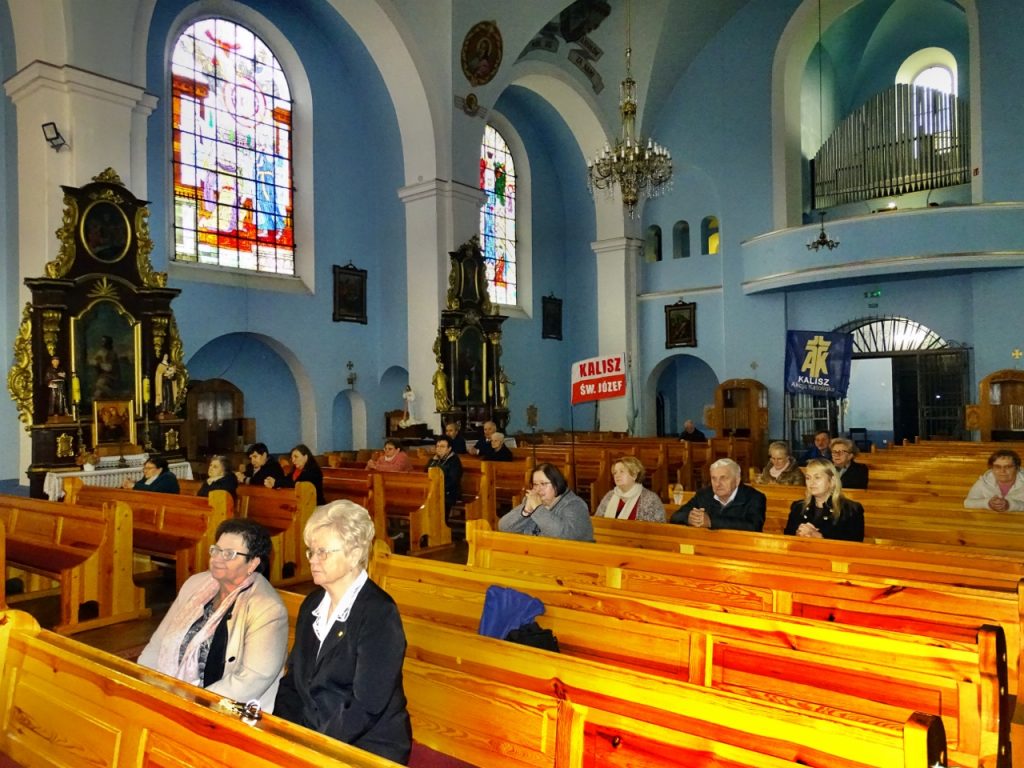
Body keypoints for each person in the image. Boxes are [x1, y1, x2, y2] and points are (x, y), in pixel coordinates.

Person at [274, 501, 411, 764]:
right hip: (313, 734)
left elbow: (367, 706)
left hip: (366, 744)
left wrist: (314, 749)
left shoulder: (379, 613)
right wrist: (282, 734)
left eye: (323, 552)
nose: (313, 560)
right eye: (311, 551)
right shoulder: (312, 605)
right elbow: (292, 683)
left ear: (354, 554)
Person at [137, 519, 287, 711]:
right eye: (216, 550)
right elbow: (159, 643)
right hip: (175, 697)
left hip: (224, 709)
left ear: (253, 563)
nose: (217, 559)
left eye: (229, 554)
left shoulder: (267, 608)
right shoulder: (195, 585)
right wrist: (144, 684)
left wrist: (191, 703)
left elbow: (250, 681)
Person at [499, 463, 594, 541]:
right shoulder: (532, 502)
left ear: (556, 484)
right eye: (535, 484)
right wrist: (526, 511)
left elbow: (564, 536)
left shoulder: (575, 505)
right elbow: (504, 527)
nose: (538, 489)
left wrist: (537, 509)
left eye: (543, 484)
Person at [669, 458, 765, 531]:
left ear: (737, 480)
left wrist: (711, 521)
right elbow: (675, 517)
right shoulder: (704, 494)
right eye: (714, 478)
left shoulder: (755, 497)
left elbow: (754, 526)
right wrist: (689, 518)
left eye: (723, 478)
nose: (717, 484)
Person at [784, 459, 865, 541]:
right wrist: (797, 534)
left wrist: (819, 537)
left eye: (817, 478)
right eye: (808, 478)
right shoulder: (798, 507)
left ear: (832, 481)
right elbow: (786, 539)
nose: (812, 482)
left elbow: (854, 545)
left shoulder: (850, 510)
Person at [595, 456, 666, 522]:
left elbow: (657, 527)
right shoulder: (609, 496)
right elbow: (597, 522)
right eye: (615, 473)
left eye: (621, 471)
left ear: (634, 475)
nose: (617, 475)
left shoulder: (650, 499)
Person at [426, 435, 462, 523]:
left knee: (438, 503)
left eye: (442, 446)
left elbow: (453, 481)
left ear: (449, 449)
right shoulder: (434, 459)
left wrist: (437, 489)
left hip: (448, 493)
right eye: (437, 446)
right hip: (433, 491)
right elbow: (425, 473)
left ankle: (440, 526)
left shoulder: (454, 461)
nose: (439, 449)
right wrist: (433, 461)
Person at [92, 334, 122, 399]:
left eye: (103, 341)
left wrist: (99, 363)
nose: (102, 343)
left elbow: (109, 368)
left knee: (99, 384)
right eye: (102, 341)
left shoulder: (112, 353)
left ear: (107, 343)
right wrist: (97, 363)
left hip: (112, 377)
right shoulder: (101, 352)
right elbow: (94, 362)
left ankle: (114, 394)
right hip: (104, 376)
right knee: (97, 394)